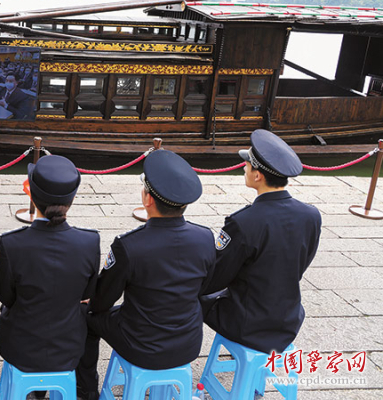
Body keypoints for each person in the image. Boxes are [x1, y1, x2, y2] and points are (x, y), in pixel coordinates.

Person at [76, 150, 216, 399]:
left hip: (141, 345)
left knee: (85, 317)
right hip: (188, 343)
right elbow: (204, 287)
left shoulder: (129, 245)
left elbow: (103, 300)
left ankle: (86, 391)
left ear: (148, 199)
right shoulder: (205, 237)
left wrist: (91, 303)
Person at [201, 129, 322, 354]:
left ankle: (164, 354)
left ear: (258, 175)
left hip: (248, 324)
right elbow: (301, 264)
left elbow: (216, 277)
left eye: (248, 164)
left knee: (188, 295)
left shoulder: (244, 222)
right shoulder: (311, 215)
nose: (244, 167)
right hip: (288, 318)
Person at [0, 155, 100, 374]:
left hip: (18, 347)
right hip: (69, 347)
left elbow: (6, 296)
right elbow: (86, 293)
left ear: (31, 196)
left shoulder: (11, 243)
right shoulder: (89, 242)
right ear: (71, 201)